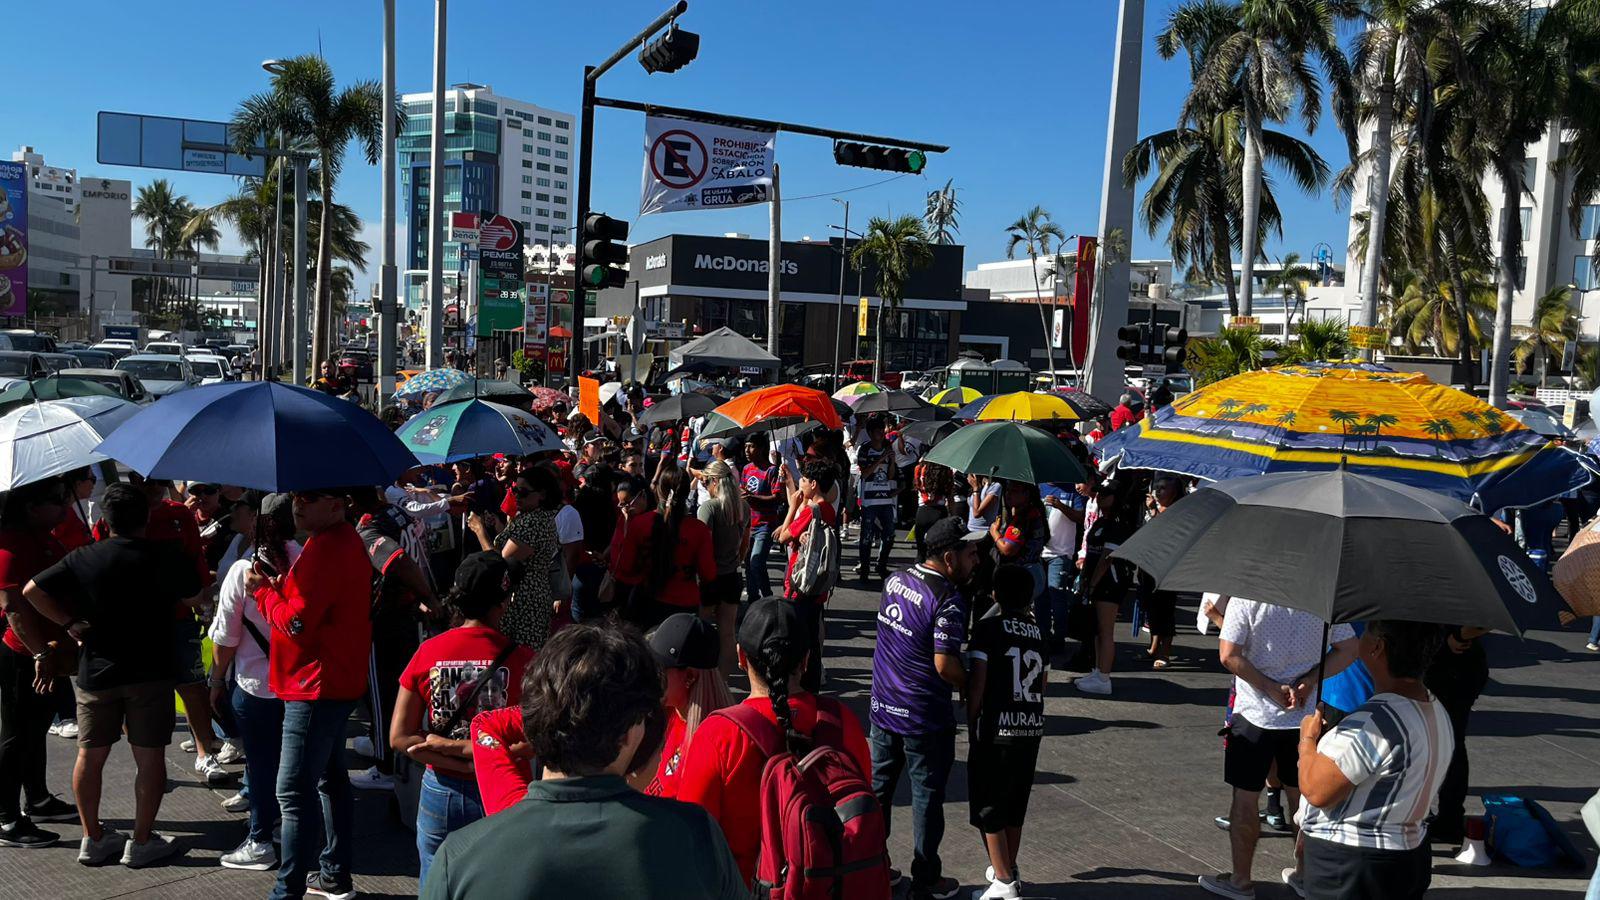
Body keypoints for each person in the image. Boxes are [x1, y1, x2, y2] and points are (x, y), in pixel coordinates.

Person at [422, 625, 748, 900]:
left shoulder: (460, 859)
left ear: (535, 718)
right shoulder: (697, 837)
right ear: (630, 733)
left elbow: (487, 725)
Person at [20, 483, 203, 867]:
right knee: (150, 757)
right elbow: (192, 595)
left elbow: (31, 590)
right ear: (147, 516)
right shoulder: (165, 555)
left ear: (105, 519)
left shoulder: (84, 557)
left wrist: (69, 622)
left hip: (97, 671)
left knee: (90, 754)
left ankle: (93, 837)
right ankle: (141, 841)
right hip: (150, 671)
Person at [677, 598, 874, 888]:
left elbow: (691, 838)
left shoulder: (718, 733)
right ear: (806, 660)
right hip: (827, 888)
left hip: (747, 888)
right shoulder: (843, 722)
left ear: (741, 657)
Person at [249, 488, 374, 900]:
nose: (297, 505)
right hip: (329, 680)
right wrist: (281, 585)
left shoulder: (328, 547)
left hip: (314, 684)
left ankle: (287, 892)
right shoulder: (336, 541)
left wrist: (263, 592)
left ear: (337, 503)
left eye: (309, 497)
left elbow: (298, 624)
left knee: (294, 791)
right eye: (297, 497)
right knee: (329, 779)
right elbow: (313, 610)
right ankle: (333, 874)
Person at [392, 552, 534, 890]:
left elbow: (400, 736)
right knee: (497, 884)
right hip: (502, 787)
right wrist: (479, 756)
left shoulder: (428, 652)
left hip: (440, 787)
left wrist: (449, 753)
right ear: (504, 600)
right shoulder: (526, 659)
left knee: (436, 880)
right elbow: (535, 741)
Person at [1199, 599, 1357, 900]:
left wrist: (1268, 686)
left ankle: (1241, 880)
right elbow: (1349, 648)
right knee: (1303, 797)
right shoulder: (1319, 598)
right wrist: (1310, 680)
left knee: (1245, 798)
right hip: (1305, 718)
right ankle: (1304, 874)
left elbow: (1228, 655)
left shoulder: (1247, 597)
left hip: (1254, 715)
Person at [1297, 621, 1453, 900]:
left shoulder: (1377, 720)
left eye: (1367, 631)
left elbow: (1316, 790)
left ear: (1378, 647)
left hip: (1354, 865)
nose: (1361, 637)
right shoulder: (1435, 708)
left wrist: (1307, 741)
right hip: (1406, 854)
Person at [869, 517, 982, 900]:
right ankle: (926, 879)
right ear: (949, 558)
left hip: (883, 708)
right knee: (927, 797)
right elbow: (944, 664)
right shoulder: (948, 599)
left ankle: (873, 868)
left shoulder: (895, 580)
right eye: (970, 553)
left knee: (879, 792)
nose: (977, 560)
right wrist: (968, 682)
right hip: (923, 718)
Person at [208, 492, 301, 872]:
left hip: (255, 685)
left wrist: (215, 682)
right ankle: (291, 830)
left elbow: (226, 638)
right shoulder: (307, 561)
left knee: (261, 765)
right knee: (297, 766)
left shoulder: (242, 571)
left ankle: (261, 838)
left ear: (256, 524)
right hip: (302, 684)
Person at [0, 479, 76, 849]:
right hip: (24, 656)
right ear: (31, 508)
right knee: (16, 735)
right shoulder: (12, 546)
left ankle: (39, 798)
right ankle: (6, 818)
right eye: (55, 501)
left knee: (37, 728)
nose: (63, 506)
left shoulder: (43, 536)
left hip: (48, 653)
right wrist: (39, 655)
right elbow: (12, 607)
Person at [966, 565, 1049, 900]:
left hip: (997, 726)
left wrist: (971, 719)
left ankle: (1003, 880)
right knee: (1016, 803)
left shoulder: (987, 628)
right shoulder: (1038, 632)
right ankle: (1008, 868)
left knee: (989, 805)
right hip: (1029, 726)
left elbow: (978, 682)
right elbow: (1042, 684)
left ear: (995, 595)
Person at [611, 466, 717, 630]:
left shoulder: (640, 523)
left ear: (659, 490)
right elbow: (708, 574)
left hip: (647, 599)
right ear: (686, 492)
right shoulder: (698, 529)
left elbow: (626, 566)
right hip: (685, 603)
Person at [774, 458, 839, 692]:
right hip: (818, 584)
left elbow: (783, 537)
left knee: (797, 638)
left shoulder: (811, 510)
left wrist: (792, 506)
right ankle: (811, 686)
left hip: (800, 582)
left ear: (813, 483)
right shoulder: (829, 509)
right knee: (813, 638)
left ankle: (798, 686)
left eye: (803, 480)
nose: (801, 484)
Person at [1423, 624, 1489, 848]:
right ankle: (1438, 816)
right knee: (1441, 744)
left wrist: (1457, 636)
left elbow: (1484, 621)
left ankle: (1448, 821)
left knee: (1449, 745)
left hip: (1453, 670)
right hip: (1444, 665)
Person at [490, 469, 562, 651]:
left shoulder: (534, 522)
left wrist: (479, 532)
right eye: (515, 491)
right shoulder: (531, 516)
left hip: (524, 600)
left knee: (519, 658)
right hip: (531, 595)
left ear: (542, 494)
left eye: (523, 492)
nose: (516, 496)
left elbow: (499, 563)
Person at [1074, 480, 1135, 695]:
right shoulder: (1101, 521)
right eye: (1099, 493)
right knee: (1098, 630)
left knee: (1106, 631)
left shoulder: (1118, 523)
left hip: (1110, 582)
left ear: (1116, 498)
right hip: (1095, 581)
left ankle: (1104, 678)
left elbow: (1107, 558)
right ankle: (1098, 671)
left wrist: (1091, 584)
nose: (1100, 496)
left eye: (1106, 493)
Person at [695, 460, 750, 673]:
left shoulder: (709, 507)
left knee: (702, 628)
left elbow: (702, 545)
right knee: (727, 633)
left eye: (705, 482)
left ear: (715, 482)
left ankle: (702, 680)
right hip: (732, 575)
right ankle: (723, 682)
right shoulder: (742, 506)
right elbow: (745, 543)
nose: (705, 487)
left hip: (710, 576)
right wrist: (736, 560)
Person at [854, 418, 899, 581]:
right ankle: (864, 567)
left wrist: (892, 461)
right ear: (871, 433)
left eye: (883, 429)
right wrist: (880, 459)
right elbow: (864, 473)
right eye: (878, 430)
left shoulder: (888, 447)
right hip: (869, 500)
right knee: (866, 536)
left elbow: (891, 475)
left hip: (886, 498)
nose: (882, 432)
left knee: (890, 534)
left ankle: (881, 564)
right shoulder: (865, 449)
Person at [741, 434, 781, 604]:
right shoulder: (746, 469)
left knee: (756, 561)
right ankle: (752, 599)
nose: (747, 451)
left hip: (765, 524)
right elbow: (742, 492)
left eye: (751, 446)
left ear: (762, 448)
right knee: (748, 565)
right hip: (748, 524)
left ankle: (768, 599)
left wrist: (752, 498)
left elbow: (777, 498)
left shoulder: (772, 470)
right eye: (745, 447)